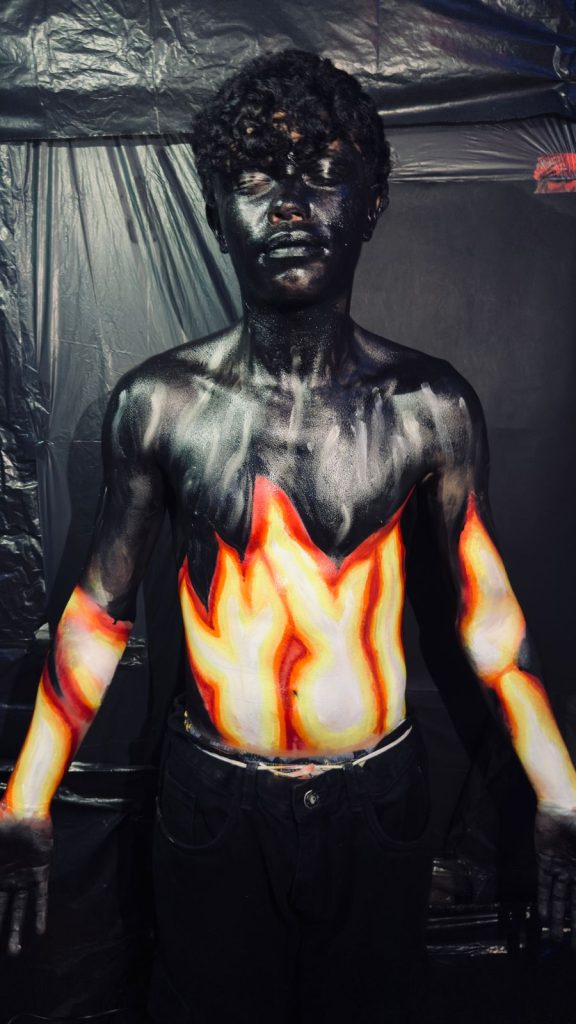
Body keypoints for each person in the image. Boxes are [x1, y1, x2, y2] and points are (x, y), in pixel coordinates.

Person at [1, 48, 575, 1024]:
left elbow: (490, 618)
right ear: (216, 210)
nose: (292, 206)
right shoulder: (160, 404)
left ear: (372, 199)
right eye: (257, 177)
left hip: (377, 805)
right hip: (214, 807)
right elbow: (99, 610)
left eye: (324, 170)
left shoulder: (430, 407)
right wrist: (25, 797)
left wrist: (560, 790)